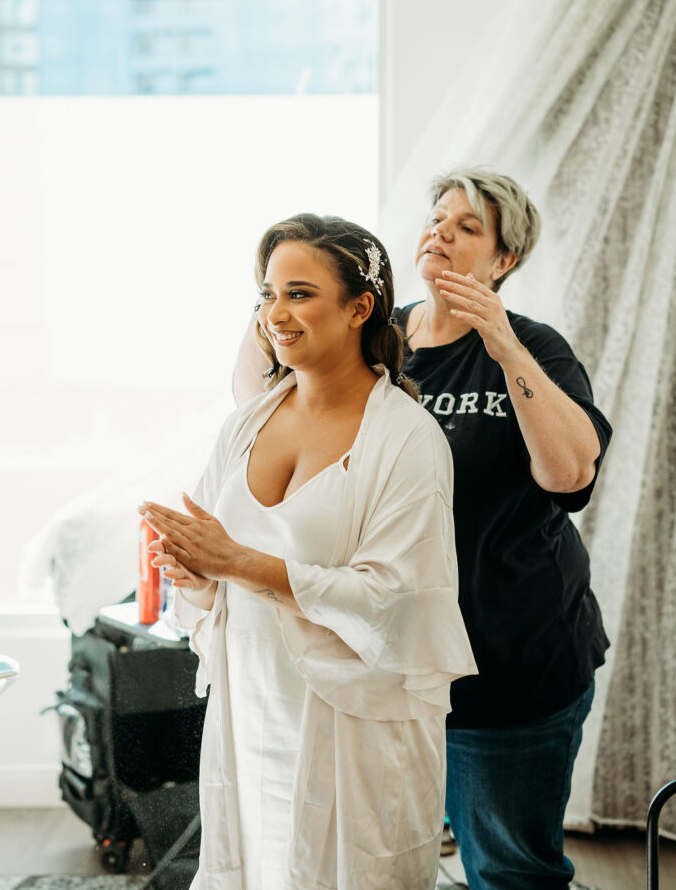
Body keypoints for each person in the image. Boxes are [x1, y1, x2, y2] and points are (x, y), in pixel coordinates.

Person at [234, 167, 613, 890]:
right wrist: (279, 295)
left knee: (508, 870)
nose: (440, 232)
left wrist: (500, 342)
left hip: (508, 669)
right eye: (436, 219)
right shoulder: (375, 338)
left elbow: (569, 475)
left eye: (468, 227)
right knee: (387, 862)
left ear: (503, 262)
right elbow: (260, 399)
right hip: (386, 664)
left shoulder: (532, 349)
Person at [138, 214, 477, 890]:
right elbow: (213, 572)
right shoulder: (246, 423)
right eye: (266, 295)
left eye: (298, 293)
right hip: (251, 707)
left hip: (353, 725)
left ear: (359, 307)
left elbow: (397, 603)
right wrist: (196, 571)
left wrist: (237, 562)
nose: (274, 313)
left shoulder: (407, 440)